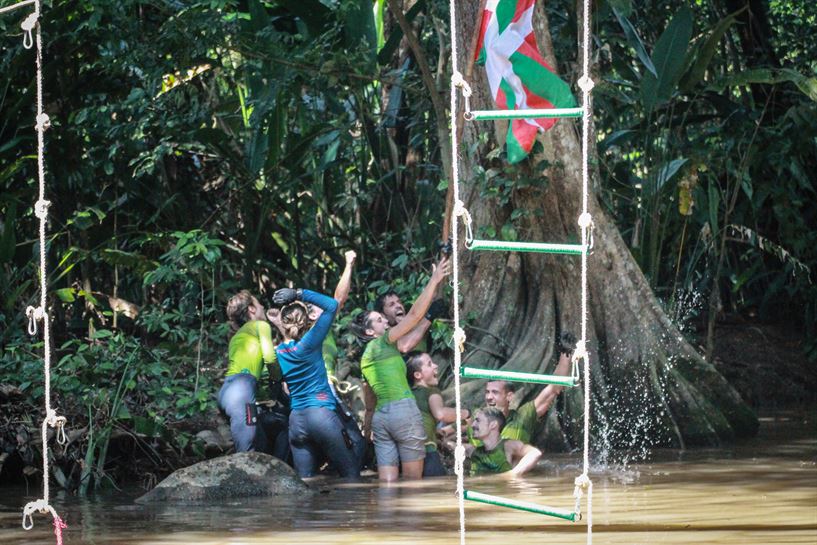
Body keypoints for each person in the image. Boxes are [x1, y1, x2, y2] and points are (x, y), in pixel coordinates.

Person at [350, 256, 451, 482]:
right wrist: (434, 281)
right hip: (404, 412)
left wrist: (368, 431)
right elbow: (414, 316)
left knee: (388, 485)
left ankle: (387, 517)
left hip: (382, 419)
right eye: (379, 320)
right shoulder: (384, 342)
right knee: (413, 486)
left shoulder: (365, 358)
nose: (385, 322)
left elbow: (369, 403)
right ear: (369, 332)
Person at [273, 287, 360, 480]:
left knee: (305, 482)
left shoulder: (277, 353)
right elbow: (331, 306)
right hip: (321, 416)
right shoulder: (309, 343)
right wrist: (298, 294)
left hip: (296, 423)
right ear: (306, 321)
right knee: (351, 476)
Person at [482, 333, 575, 444]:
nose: (489, 397)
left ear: (509, 396)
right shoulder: (477, 418)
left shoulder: (522, 417)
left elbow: (553, 389)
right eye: (487, 392)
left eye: (495, 392)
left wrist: (565, 354)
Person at [219, 291, 278, 452]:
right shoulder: (261, 326)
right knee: (247, 453)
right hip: (242, 391)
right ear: (252, 309)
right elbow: (270, 358)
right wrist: (278, 379)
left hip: (227, 392)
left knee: (261, 446)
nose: (263, 307)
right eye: (259, 304)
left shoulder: (237, 336)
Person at [405, 351, 470, 477]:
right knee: (437, 484)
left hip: (406, 449)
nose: (435, 366)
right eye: (430, 364)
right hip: (427, 450)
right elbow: (440, 414)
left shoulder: (409, 394)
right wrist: (466, 413)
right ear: (418, 375)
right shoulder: (431, 391)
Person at [465, 407, 542, 477]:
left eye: (478, 421)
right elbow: (454, 447)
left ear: (493, 425)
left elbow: (535, 453)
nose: (472, 425)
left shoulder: (508, 446)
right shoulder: (471, 450)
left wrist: (514, 473)